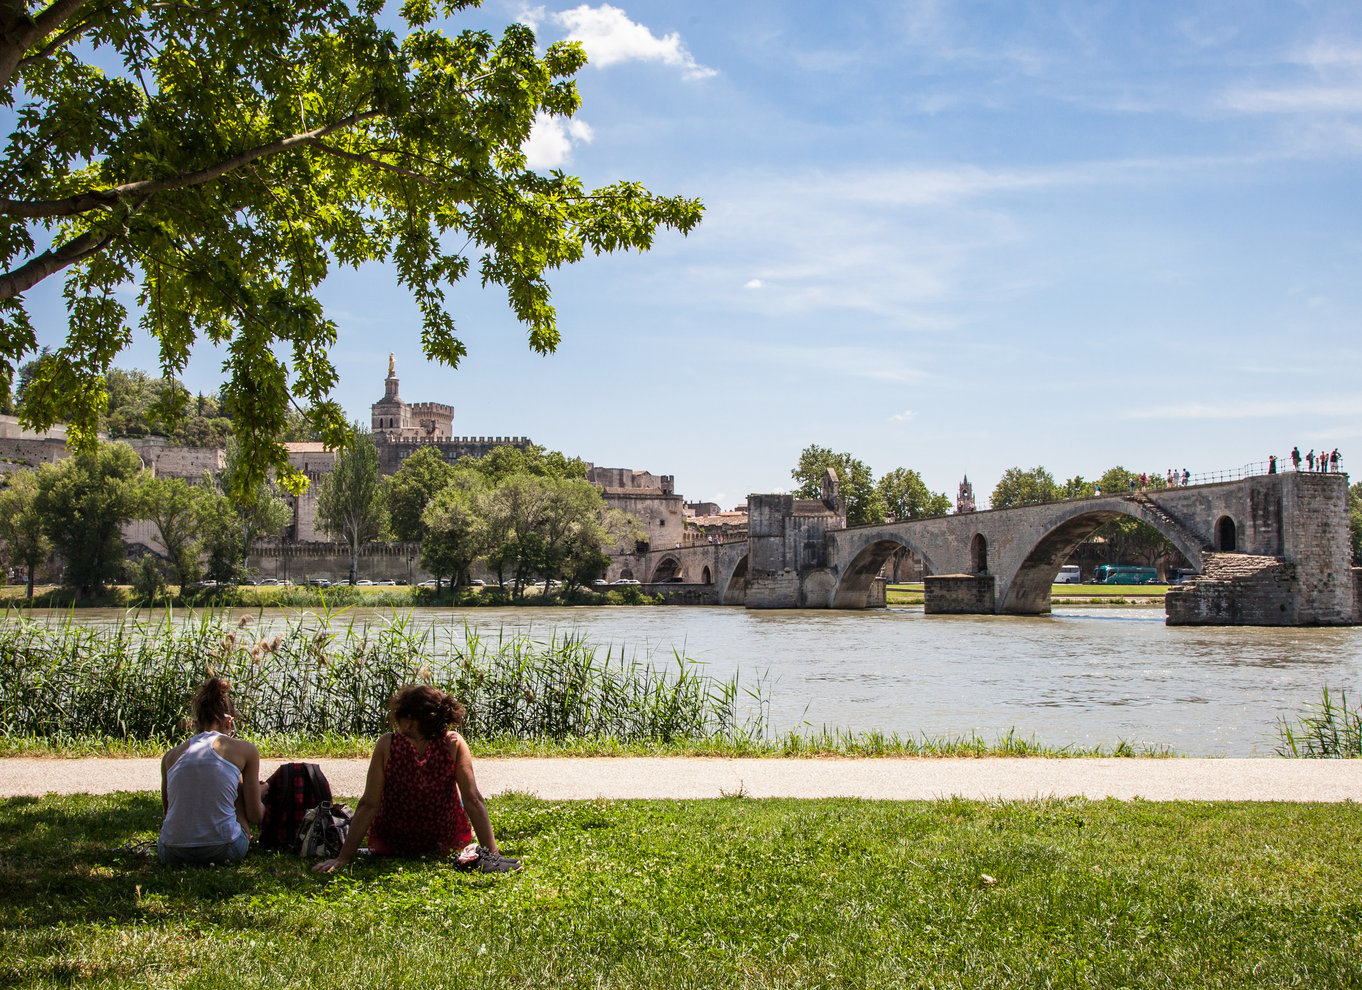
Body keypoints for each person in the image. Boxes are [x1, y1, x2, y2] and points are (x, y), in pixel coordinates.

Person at [314, 684, 518, 874]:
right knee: (462, 800)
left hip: (392, 842)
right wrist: (493, 855)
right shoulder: (453, 743)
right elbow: (473, 800)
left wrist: (343, 858)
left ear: (409, 720)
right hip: (444, 843)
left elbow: (369, 804)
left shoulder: (387, 744)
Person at [158, 677, 264, 865]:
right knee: (238, 786)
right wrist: (261, 791)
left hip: (171, 851)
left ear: (197, 721)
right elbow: (256, 816)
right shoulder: (246, 750)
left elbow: (168, 812)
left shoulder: (170, 756)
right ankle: (237, 834)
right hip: (224, 850)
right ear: (229, 721)